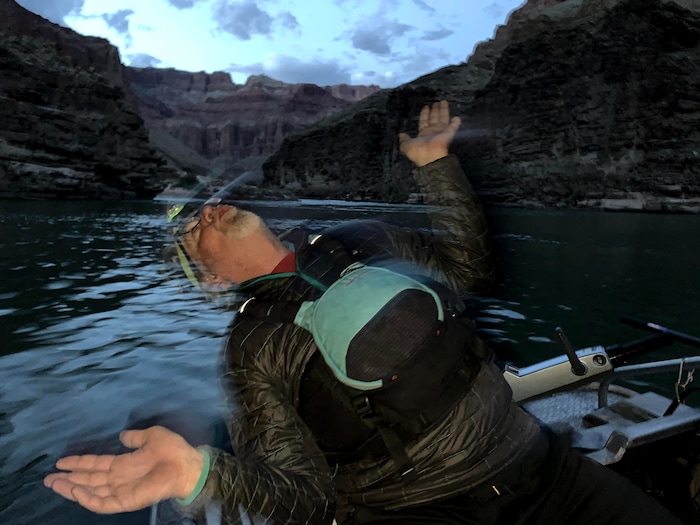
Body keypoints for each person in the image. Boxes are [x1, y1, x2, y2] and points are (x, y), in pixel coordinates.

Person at [43, 101, 686, 525]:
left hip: (541, 464)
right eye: (192, 230)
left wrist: (438, 170)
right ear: (210, 279)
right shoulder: (254, 348)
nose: (207, 211)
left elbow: (471, 269)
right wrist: (200, 472)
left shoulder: (362, 238)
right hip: (423, 509)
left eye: (202, 205)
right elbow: (303, 493)